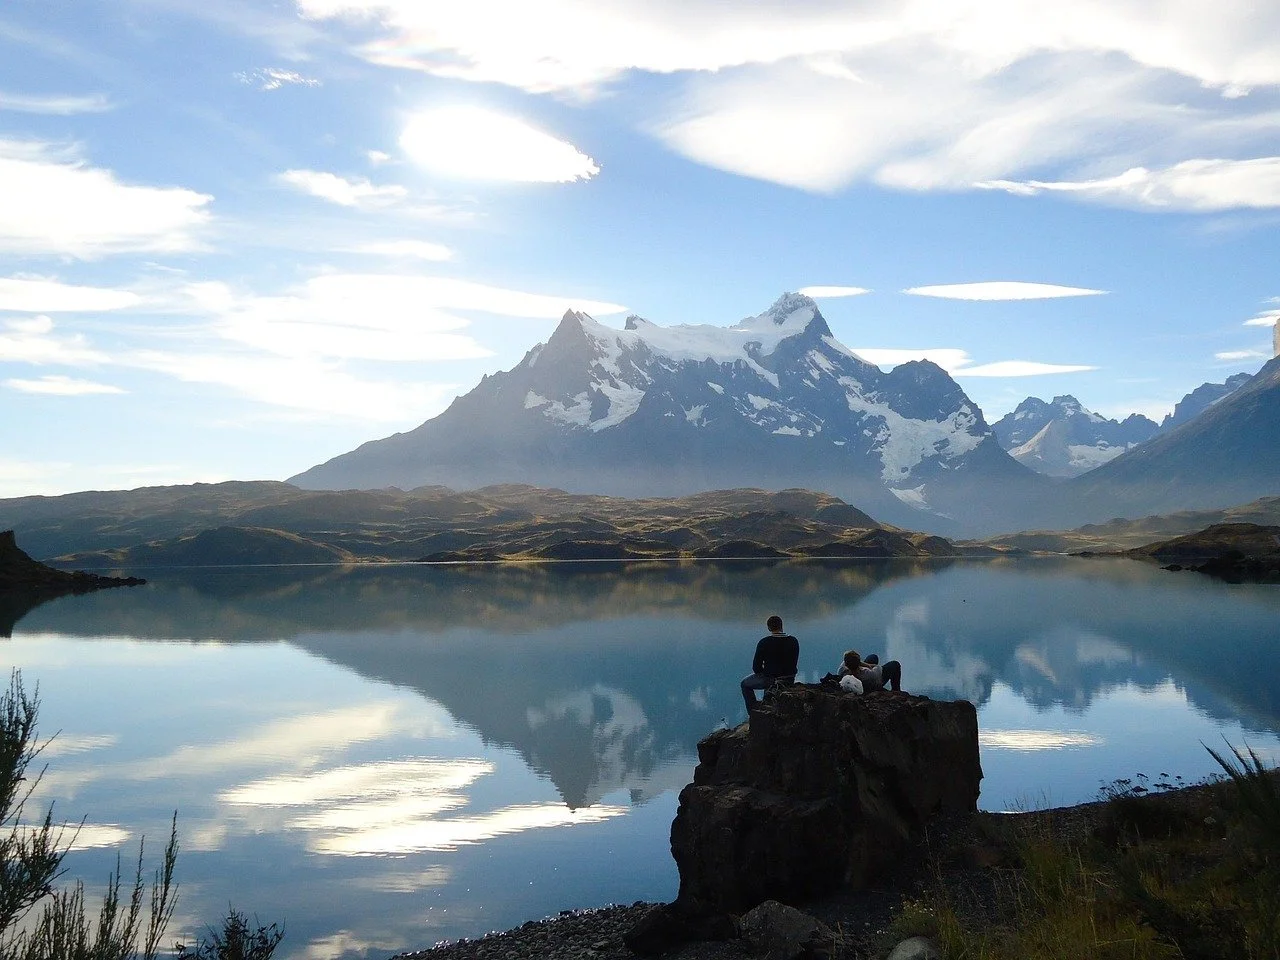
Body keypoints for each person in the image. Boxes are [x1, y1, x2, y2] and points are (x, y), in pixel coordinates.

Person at [741, 615, 799, 714]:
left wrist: (766, 669)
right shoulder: (793, 641)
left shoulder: (764, 642)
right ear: (782, 626)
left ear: (769, 628)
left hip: (772, 679)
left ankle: (753, 712)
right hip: (790, 678)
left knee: (744, 684)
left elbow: (756, 668)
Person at [838, 649, 903, 693]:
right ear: (859, 662)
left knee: (873, 657)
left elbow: (846, 661)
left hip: (859, 677)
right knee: (895, 664)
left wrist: (858, 663)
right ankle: (896, 690)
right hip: (873, 684)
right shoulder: (869, 674)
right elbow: (878, 667)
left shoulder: (842, 670)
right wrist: (867, 665)